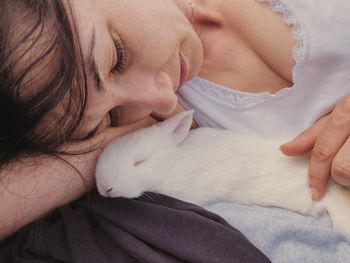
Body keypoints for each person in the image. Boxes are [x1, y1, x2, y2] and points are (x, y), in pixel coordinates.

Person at [1, 0, 350, 255]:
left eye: (117, 57)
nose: (163, 98)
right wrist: (88, 149)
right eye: (108, 118)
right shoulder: (165, 124)